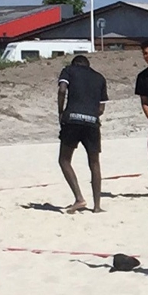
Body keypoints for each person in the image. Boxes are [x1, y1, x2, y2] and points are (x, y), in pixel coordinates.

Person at [57, 54, 109, 213]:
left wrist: (61, 112)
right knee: (94, 163)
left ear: (74, 64)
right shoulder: (100, 78)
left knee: (64, 160)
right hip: (92, 122)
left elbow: (62, 90)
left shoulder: (68, 71)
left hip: (72, 119)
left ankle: (79, 198)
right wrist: (90, 115)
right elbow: (101, 109)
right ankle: (97, 206)